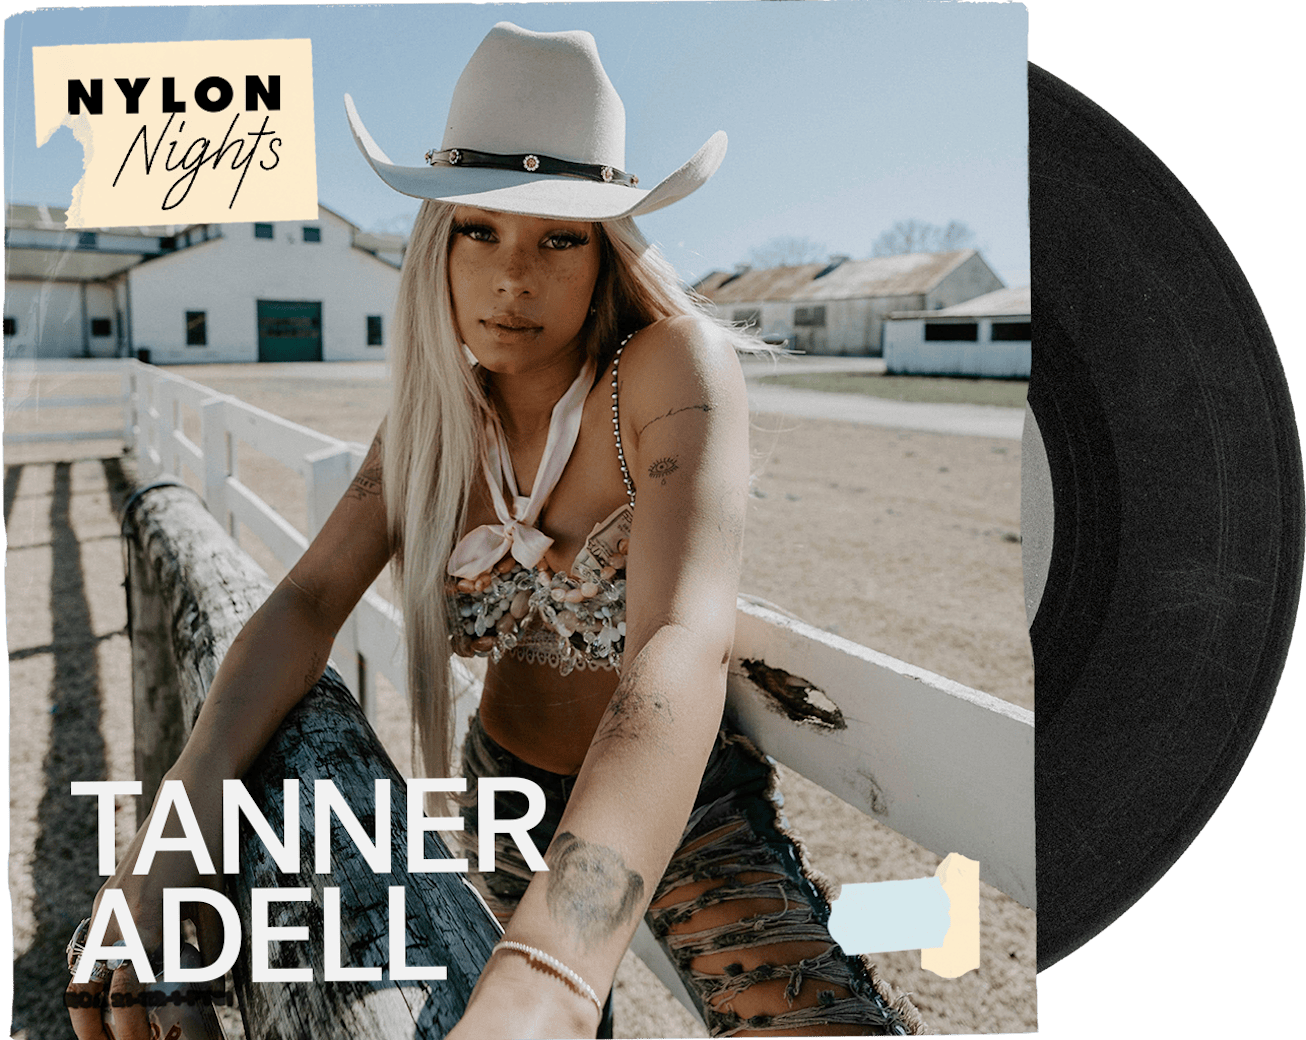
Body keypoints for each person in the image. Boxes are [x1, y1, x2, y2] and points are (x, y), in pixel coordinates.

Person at [67, 23, 922, 1040]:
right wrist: (178, 831)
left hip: (681, 797)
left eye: (560, 237)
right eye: (481, 230)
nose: (514, 276)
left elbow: (678, 638)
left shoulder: (668, 369)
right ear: (438, 239)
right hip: (501, 788)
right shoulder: (438, 419)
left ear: (608, 252)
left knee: (808, 1022)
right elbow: (303, 602)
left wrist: (554, 969)